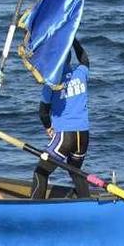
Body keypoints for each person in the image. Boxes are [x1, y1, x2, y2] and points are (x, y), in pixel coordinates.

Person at [31, 38, 91, 199]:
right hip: (83, 135)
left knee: (41, 172)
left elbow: (43, 112)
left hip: (66, 135)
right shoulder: (81, 73)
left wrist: (48, 127)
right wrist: (73, 40)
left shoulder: (52, 82)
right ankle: (87, 204)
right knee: (76, 171)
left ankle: (34, 208)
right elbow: (84, 58)